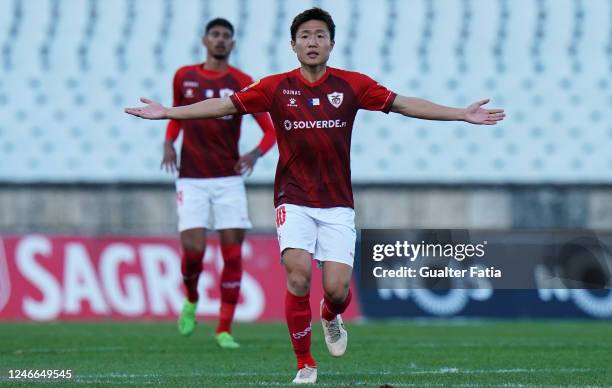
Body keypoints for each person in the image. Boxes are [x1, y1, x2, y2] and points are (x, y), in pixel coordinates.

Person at [126, 8, 505, 383]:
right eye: (305, 35)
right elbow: (224, 105)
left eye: (320, 35)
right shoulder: (275, 87)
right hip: (293, 200)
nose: (312, 42)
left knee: (338, 292)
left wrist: (460, 114)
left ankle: (329, 315)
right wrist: (168, 113)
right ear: (293, 44)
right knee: (298, 277)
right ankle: (305, 364)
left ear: (332, 44)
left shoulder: (353, 85)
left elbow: (404, 104)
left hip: (337, 204)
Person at [161, 18, 276, 349]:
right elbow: (177, 114)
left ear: (233, 44)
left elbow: (270, 130)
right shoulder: (185, 76)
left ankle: (224, 329)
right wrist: (169, 142)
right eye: (216, 35)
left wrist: (254, 154)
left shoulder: (242, 82)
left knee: (232, 254)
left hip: (228, 180)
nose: (221, 40)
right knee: (193, 250)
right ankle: (192, 297)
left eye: (227, 36)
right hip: (192, 178)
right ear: (204, 40)